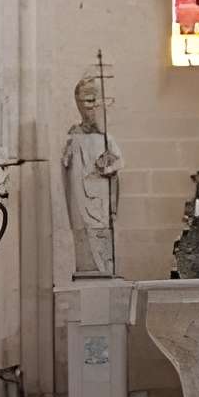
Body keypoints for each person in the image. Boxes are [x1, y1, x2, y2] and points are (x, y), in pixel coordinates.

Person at [62, 70, 122, 277]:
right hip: (80, 195)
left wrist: (106, 166)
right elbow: (66, 165)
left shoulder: (106, 138)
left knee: (101, 233)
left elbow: (117, 162)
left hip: (100, 198)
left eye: (94, 101)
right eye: (86, 101)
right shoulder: (73, 137)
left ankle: (104, 269)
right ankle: (88, 268)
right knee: (82, 232)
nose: (91, 107)